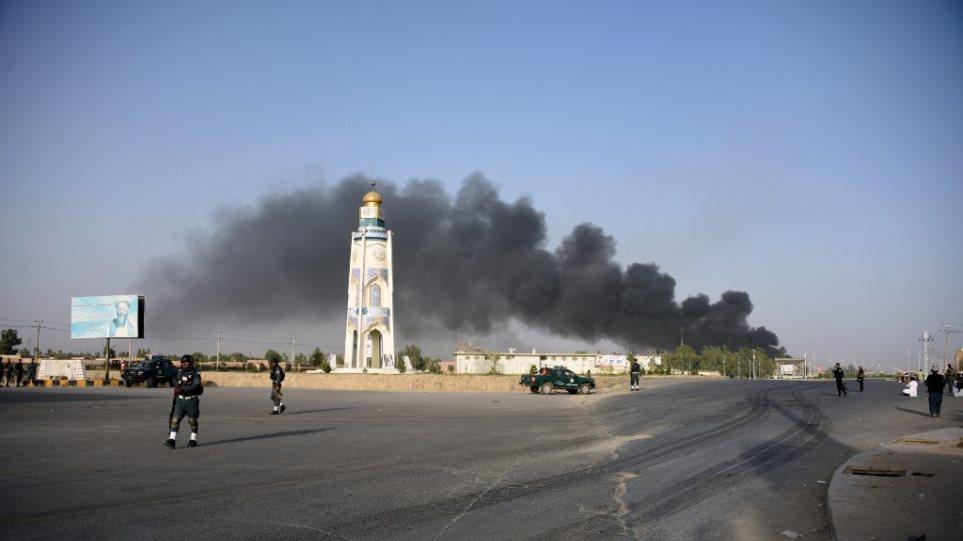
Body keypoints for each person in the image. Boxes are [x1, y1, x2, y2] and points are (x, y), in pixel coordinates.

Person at [164, 355, 202, 449]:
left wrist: (183, 390)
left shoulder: (195, 372)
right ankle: (172, 440)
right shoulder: (180, 371)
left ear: (191, 362)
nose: (184, 364)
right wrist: (176, 388)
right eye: (183, 362)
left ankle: (193, 439)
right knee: (175, 419)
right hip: (180, 400)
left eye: (186, 362)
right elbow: (177, 381)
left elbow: (196, 385)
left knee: (192, 421)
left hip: (191, 401)